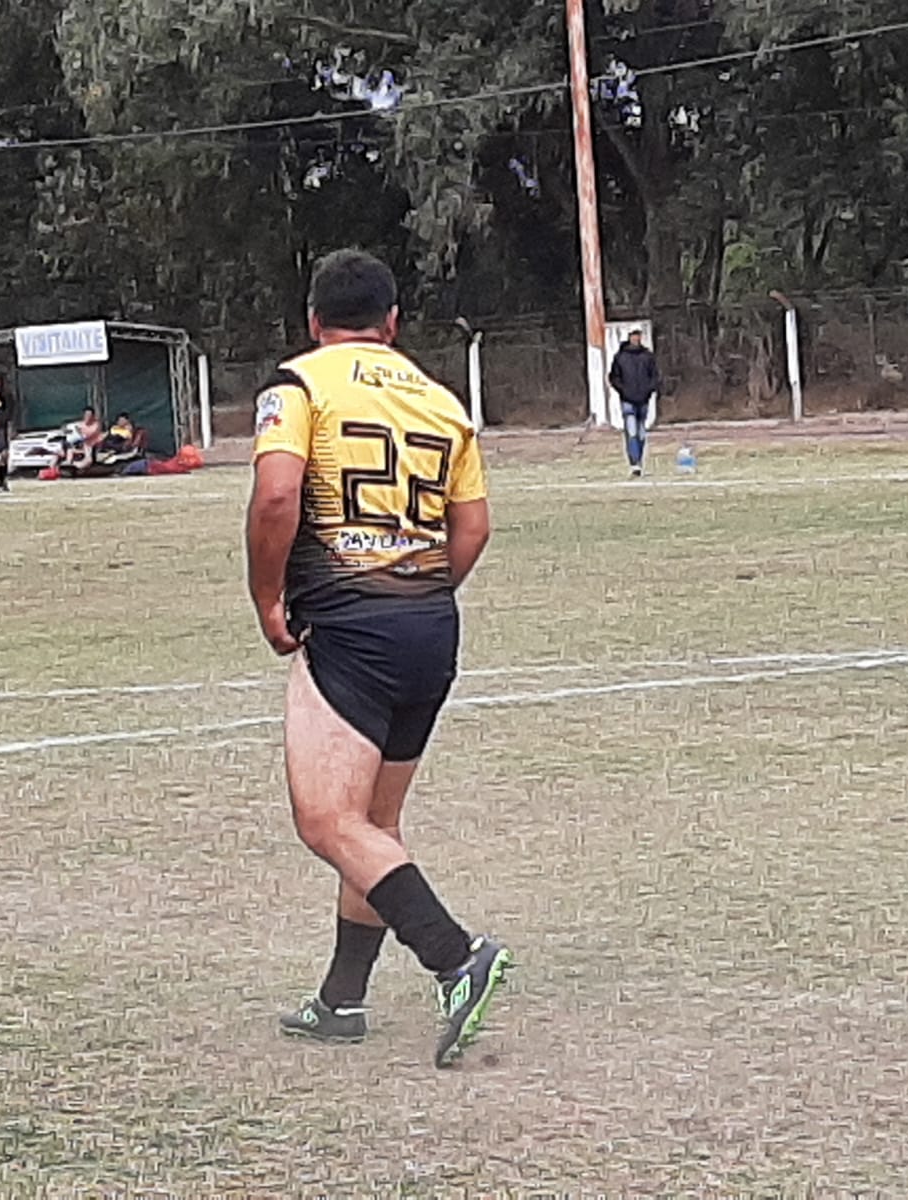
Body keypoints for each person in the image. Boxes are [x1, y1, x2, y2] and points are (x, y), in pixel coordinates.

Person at [245, 248, 509, 1068]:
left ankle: (455, 957)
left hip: (350, 625)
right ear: (392, 322)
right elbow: (474, 527)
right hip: (431, 622)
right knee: (373, 825)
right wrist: (419, 590)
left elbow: (278, 494)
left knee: (327, 821)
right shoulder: (440, 400)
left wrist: (267, 599)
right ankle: (341, 1001)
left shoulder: (299, 385)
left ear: (312, 320)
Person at [609, 330, 662, 477]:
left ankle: (638, 460)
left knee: (641, 433)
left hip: (643, 399)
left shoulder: (647, 356)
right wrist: (623, 390)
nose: (636, 338)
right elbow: (614, 377)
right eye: (633, 336)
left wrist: (649, 390)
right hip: (628, 400)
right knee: (632, 432)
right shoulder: (620, 357)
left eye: (638, 336)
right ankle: (635, 463)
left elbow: (655, 376)